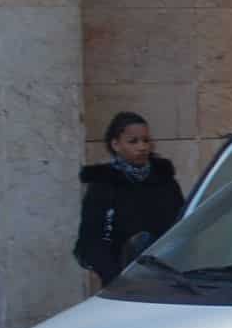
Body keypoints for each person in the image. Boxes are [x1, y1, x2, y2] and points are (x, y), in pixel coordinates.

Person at [75, 112, 185, 286]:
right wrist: (115, 276)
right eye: (133, 141)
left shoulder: (165, 181)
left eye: (146, 140)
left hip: (167, 276)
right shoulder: (104, 184)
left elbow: (181, 225)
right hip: (122, 279)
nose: (142, 147)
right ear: (116, 144)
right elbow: (90, 241)